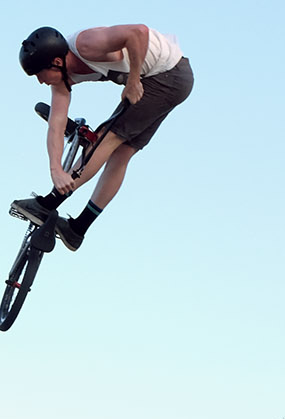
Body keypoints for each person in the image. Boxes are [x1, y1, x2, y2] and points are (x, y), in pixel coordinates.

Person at [11, 24, 194, 251]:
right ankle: (78, 229)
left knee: (105, 137)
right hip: (171, 78)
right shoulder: (61, 81)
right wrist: (55, 169)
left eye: (39, 73)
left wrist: (133, 81)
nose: (40, 81)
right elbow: (56, 125)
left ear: (56, 62)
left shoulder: (85, 44)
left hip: (168, 75)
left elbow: (138, 32)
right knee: (122, 152)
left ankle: (49, 203)